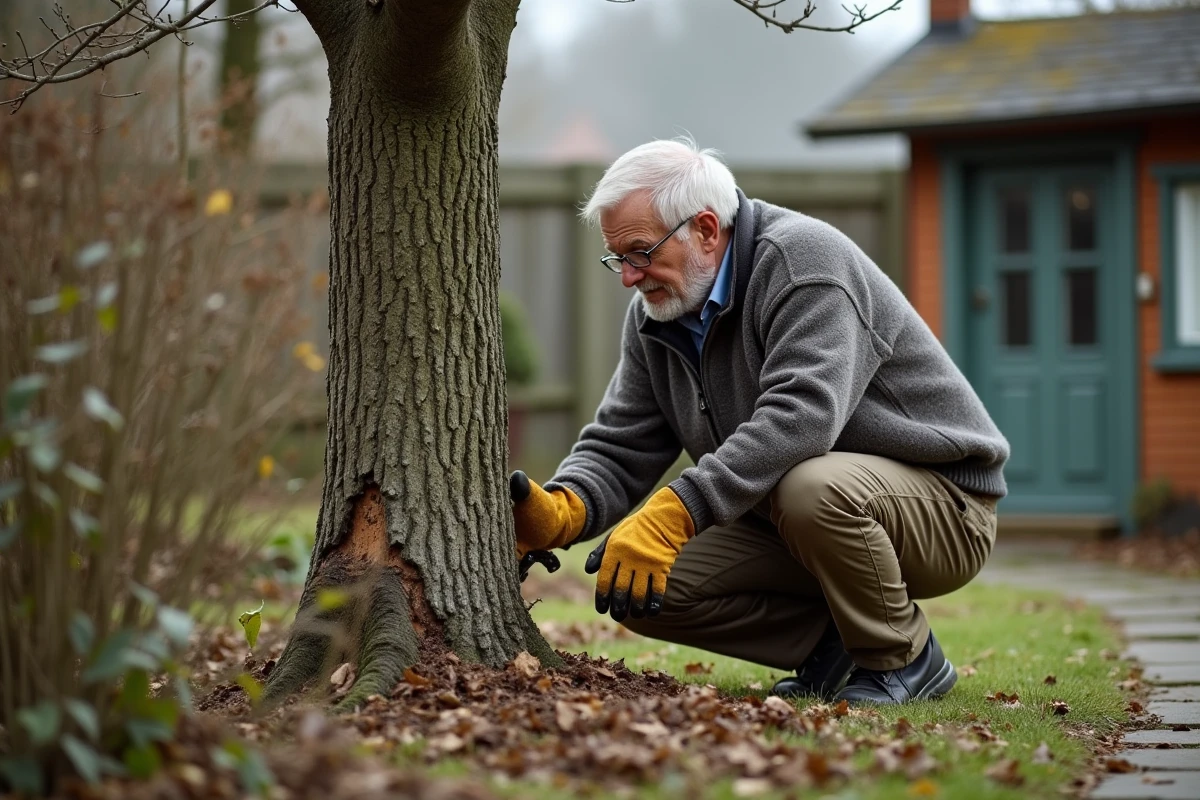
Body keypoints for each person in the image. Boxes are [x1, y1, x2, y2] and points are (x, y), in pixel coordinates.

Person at [510, 137, 1009, 706]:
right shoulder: (658, 312)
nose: (628, 276)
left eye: (640, 253)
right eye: (618, 258)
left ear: (703, 228)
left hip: (943, 507)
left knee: (810, 486)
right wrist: (565, 507)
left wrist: (678, 509)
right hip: (791, 517)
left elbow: (802, 418)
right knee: (642, 585)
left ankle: (903, 657)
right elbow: (622, 440)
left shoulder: (804, 263)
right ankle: (839, 644)